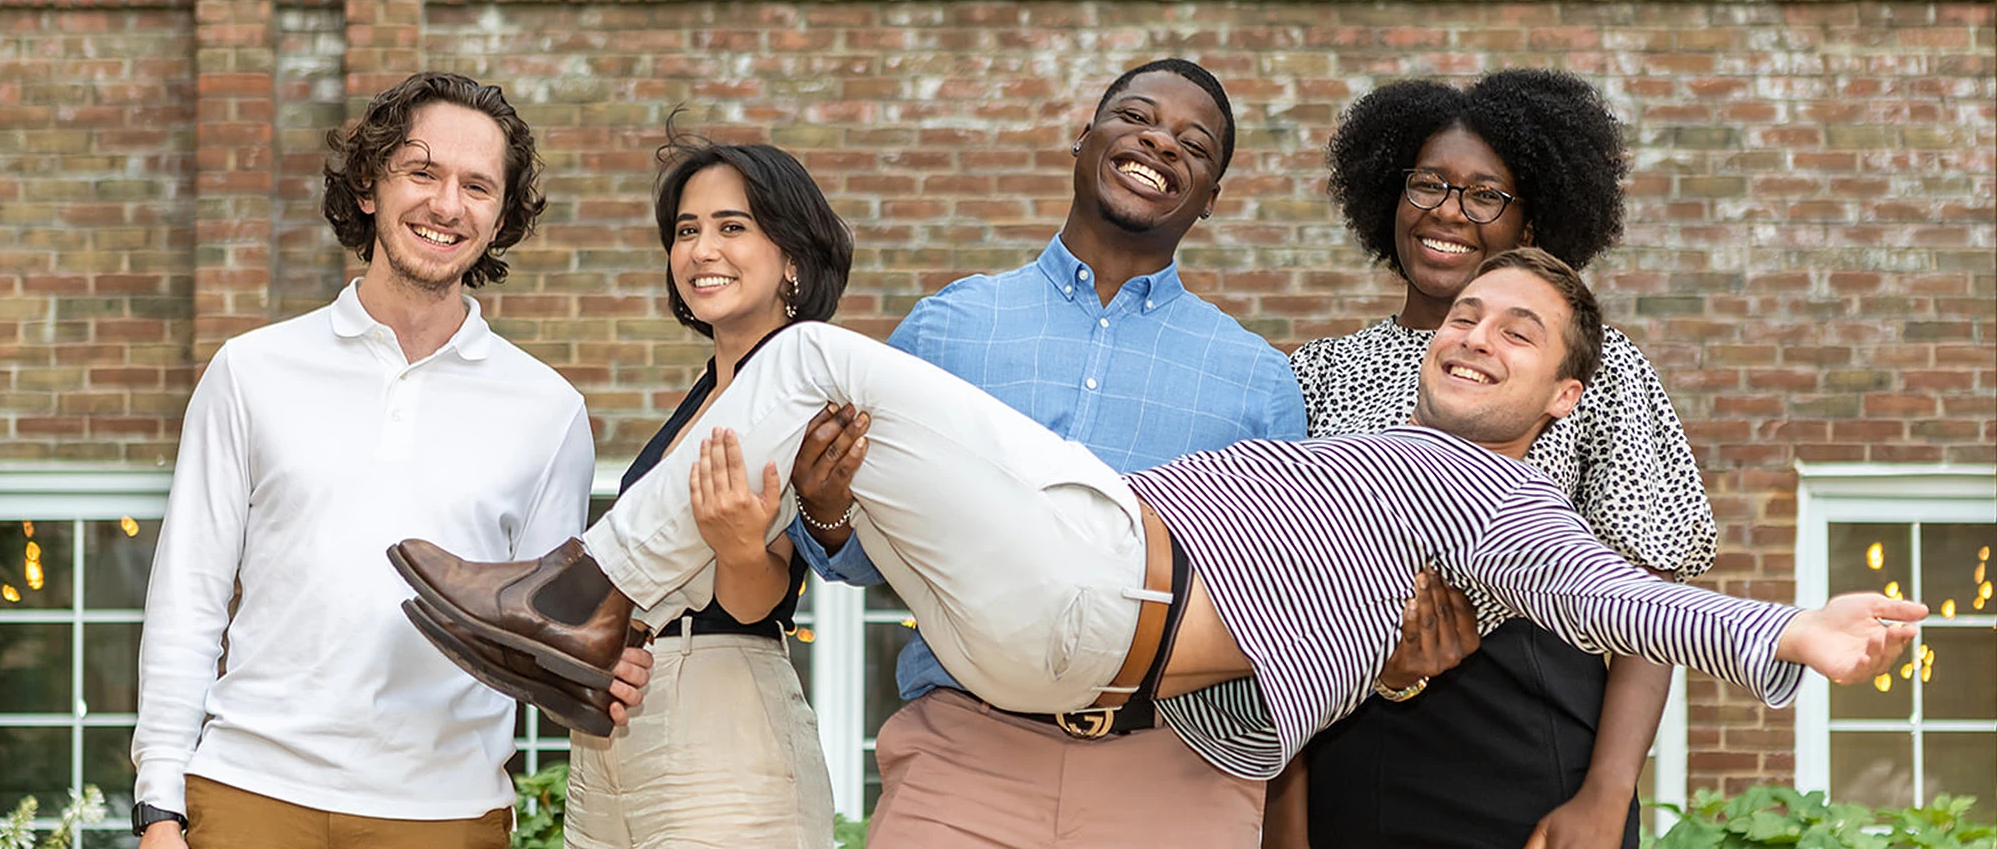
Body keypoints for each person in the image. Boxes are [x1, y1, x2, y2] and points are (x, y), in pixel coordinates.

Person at [387, 250, 1927, 811]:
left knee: (812, 359)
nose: (1471, 334)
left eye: (1514, 332)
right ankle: (591, 619)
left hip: (1104, 586)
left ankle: (581, 604)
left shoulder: (1497, 493)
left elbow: (1611, 589)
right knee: (821, 419)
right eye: (1464, 313)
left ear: (1567, 394)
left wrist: (1785, 629)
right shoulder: (1375, 453)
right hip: (1036, 648)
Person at [779, 57, 1376, 849]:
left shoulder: (1257, 383)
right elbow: (861, 560)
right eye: (1135, 118)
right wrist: (826, 510)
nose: (1160, 143)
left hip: (1175, 770)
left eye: (1193, 144)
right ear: (1083, 138)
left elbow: (1280, 608)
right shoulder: (949, 328)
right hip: (967, 752)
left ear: (1210, 201)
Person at [130, 71, 652, 849]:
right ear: (370, 187)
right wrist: (159, 802)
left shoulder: (548, 411)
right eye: (422, 172)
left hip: (446, 812)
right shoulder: (251, 370)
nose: (447, 205)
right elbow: (188, 595)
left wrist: (603, 667)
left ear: (501, 216)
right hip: (249, 793)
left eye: (477, 185)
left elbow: (541, 634)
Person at [1275, 69, 1703, 849]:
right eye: (1429, 184)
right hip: (1346, 751)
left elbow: (1651, 592)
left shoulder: (1601, 374)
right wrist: (1288, 818)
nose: (1449, 211)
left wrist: (1607, 797)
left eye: (1485, 195)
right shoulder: (1315, 375)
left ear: (1532, 220)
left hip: (1531, 760)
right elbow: (1278, 612)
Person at [559, 138, 845, 849]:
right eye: (687, 231)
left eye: (732, 227)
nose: (701, 249)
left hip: (720, 722)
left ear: (793, 260)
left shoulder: (799, 389)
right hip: (615, 731)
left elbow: (755, 606)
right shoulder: (705, 399)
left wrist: (741, 547)